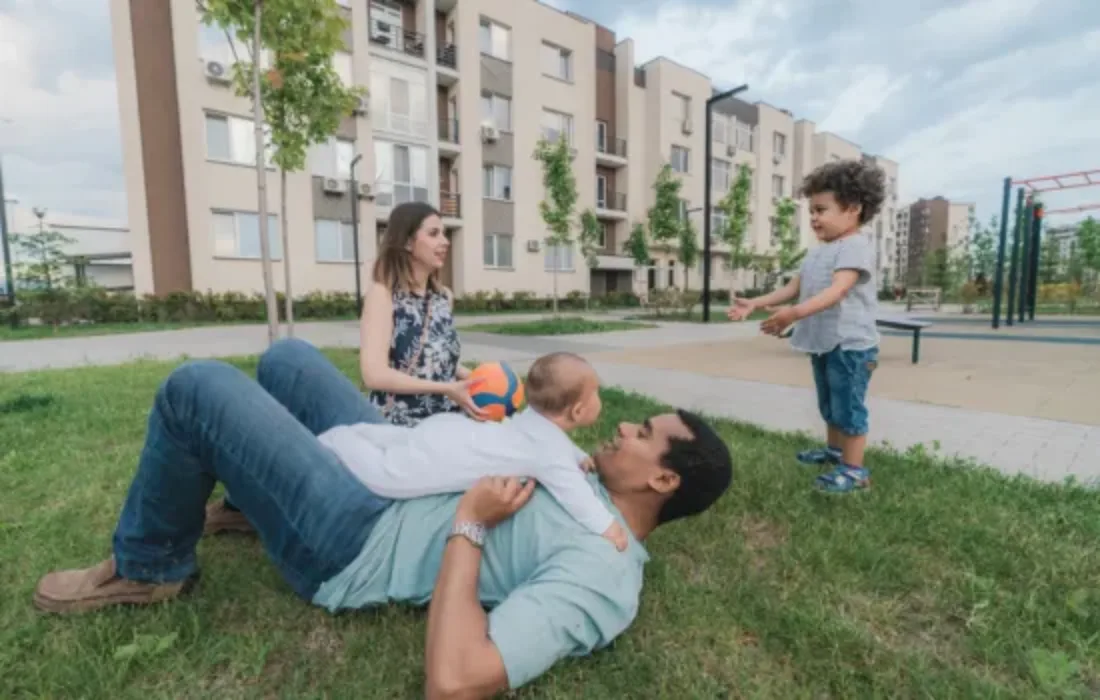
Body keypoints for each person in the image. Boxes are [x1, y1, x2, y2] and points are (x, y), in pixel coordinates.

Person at [32, 338, 733, 697]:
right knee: (289, 359)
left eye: (643, 433)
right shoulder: (585, 473)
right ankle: (254, 503)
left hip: (356, 540)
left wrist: (471, 523)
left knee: (198, 387)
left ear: (664, 479)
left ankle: (148, 567)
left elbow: (458, 679)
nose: (625, 428)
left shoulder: (604, 573)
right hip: (399, 467)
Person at [204, 201, 482, 535]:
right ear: (408, 242)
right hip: (397, 423)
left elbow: (442, 362)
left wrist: (477, 378)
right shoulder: (383, 295)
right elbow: (374, 374)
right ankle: (241, 502)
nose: (445, 241)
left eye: (445, 233)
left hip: (445, 420)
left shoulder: (443, 298)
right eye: (434, 233)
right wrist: (446, 389)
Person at [319, 351, 629, 551]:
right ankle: (336, 440)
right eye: (596, 393)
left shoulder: (536, 426)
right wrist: (608, 527)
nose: (600, 397)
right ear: (576, 411)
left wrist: (579, 457)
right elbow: (576, 495)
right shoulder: (548, 455)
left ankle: (359, 434)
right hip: (437, 458)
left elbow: (559, 446)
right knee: (383, 474)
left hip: (448, 430)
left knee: (397, 439)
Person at [728, 159, 884, 494]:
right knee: (829, 404)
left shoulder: (855, 247)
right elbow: (793, 287)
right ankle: (834, 452)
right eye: (811, 211)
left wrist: (794, 314)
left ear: (853, 209)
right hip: (825, 342)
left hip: (851, 346)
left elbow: (839, 289)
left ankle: (855, 472)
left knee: (848, 406)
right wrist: (757, 303)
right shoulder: (819, 252)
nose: (813, 218)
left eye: (821, 210)